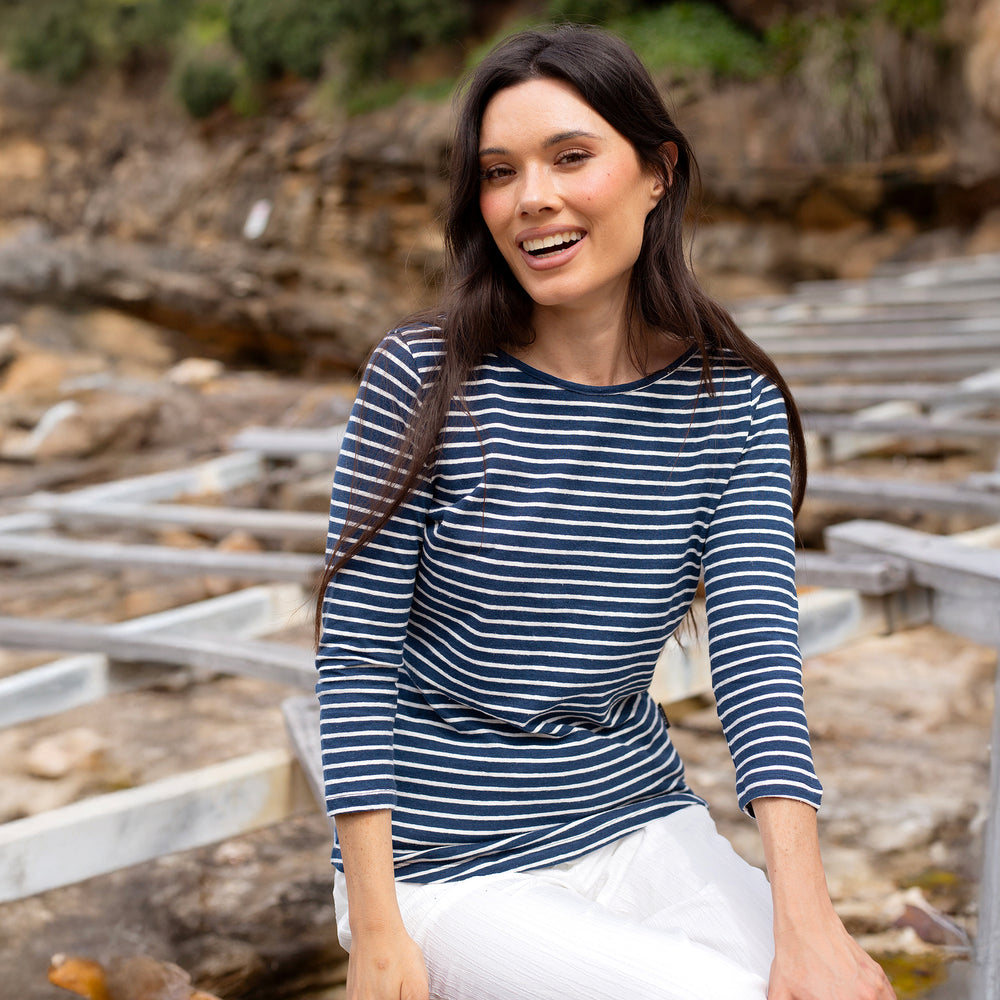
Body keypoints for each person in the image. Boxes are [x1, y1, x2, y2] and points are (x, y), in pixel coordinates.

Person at [315, 23, 895, 1000]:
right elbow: (356, 655)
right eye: (498, 173)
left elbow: (756, 660)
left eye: (570, 157)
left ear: (656, 171)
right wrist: (376, 928)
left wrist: (813, 925)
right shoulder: (420, 378)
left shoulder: (732, 404)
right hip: (444, 868)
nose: (530, 198)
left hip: (637, 820)